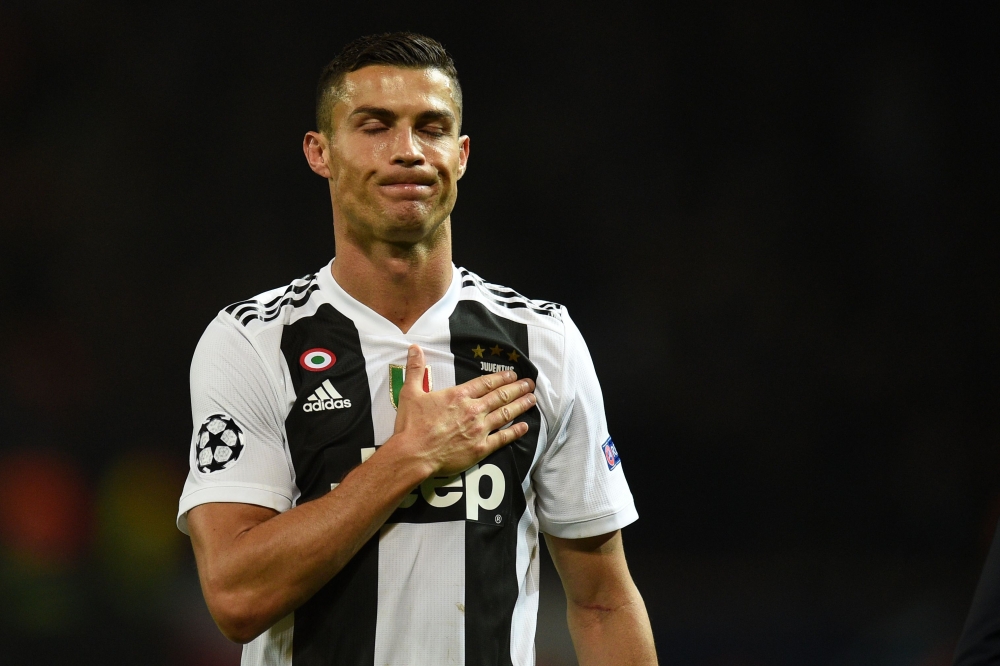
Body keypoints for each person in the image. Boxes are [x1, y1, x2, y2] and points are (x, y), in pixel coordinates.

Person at [176, 32, 657, 666]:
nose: (407, 151)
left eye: (430, 128)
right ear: (319, 152)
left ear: (459, 155)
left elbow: (602, 603)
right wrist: (408, 457)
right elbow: (236, 597)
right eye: (374, 126)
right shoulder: (253, 342)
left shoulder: (544, 341)